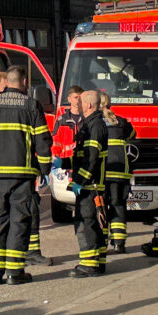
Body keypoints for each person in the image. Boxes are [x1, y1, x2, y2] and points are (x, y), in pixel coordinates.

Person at [0, 66, 52, 285]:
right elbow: (43, 141)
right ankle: (15, 273)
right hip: (22, 175)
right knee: (19, 222)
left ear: (6, 82)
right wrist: (45, 169)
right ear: (24, 82)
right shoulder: (31, 105)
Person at [55, 90, 109, 278]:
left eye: (81, 102)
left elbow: (92, 159)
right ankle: (98, 260)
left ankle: (89, 264)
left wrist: (79, 181)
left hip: (90, 185)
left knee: (86, 222)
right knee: (93, 222)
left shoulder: (94, 126)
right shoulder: (92, 124)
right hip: (91, 183)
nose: (77, 104)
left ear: (88, 105)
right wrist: (63, 163)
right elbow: (83, 157)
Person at [98, 92, 135, 254]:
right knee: (118, 205)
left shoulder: (95, 123)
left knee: (102, 207)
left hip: (102, 172)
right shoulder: (122, 122)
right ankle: (119, 243)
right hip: (121, 172)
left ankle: (102, 243)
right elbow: (133, 135)